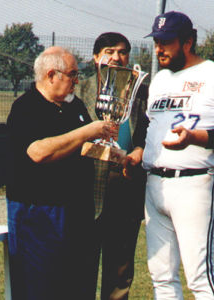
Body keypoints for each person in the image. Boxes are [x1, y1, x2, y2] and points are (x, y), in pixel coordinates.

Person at [141, 11, 214, 300]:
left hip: (195, 181)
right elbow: (150, 128)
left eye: (166, 41)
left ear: (188, 42)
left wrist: (194, 138)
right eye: (156, 41)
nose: (159, 48)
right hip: (155, 183)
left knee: (199, 277)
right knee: (161, 277)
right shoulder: (160, 79)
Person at [5, 46, 118, 299]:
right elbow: (38, 152)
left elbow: (84, 148)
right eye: (72, 74)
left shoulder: (74, 106)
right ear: (51, 75)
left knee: (78, 285)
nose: (77, 81)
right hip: (39, 213)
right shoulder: (26, 108)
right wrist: (88, 131)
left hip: (77, 210)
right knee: (41, 287)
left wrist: (118, 158)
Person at [76, 32, 148, 300]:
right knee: (81, 269)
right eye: (109, 51)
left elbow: (147, 135)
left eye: (122, 52)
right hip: (84, 191)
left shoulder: (140, 92)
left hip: (125, 189)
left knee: (120, 273)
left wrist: (139, 151)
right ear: (96, 57)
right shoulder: (79, 89)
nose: (116, 57)